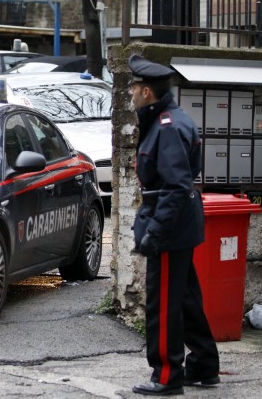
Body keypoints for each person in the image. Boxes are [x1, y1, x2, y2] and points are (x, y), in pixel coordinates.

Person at [129, 55, 219, 396]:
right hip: (179, 223)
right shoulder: (168, 119)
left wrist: (155, 231)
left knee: (164, 303)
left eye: (135, 89)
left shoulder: (167, 126)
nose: (133, 94)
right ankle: (205, 365)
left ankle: (167, 374)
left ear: (147, 91)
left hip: (170, 225)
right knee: (185, 297)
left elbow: (176, 186)